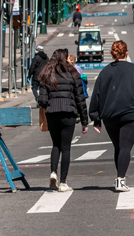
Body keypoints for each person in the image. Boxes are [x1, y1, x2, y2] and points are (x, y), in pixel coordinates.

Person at [89, 41, 134, 192]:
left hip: (110, 115)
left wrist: (96, 118)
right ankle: (120, 179)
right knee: (125, 146)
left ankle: (120, 176)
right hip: (132, 113)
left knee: (119, 147)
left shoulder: (105, 72)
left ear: (113, 54)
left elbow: (96, 95)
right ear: (126, 53)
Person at [37, 48, 88, 192]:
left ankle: (53, 173)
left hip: (52, 113)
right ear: (65, 58)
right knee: (66, 148)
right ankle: (63, 182)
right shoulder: (73, 73)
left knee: (55, 145)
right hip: (69, 113)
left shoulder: (47, 73)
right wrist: (85, 121)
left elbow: (42, 100)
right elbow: (80, 98)